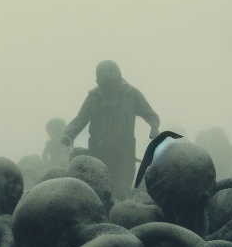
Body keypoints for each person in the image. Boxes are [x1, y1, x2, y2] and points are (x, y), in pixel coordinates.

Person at [60, 60, 161, 199]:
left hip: (124, 152)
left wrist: (154, 127)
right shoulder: (94, 97)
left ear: (117, 75)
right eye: (102, 77)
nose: (105, 80)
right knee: (100, 191)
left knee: (122, 191)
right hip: (98, 151)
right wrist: (67, 136)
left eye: (109, 76)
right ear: (97, 78)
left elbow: (150, 114)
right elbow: (79, 120)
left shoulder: (130, 94)